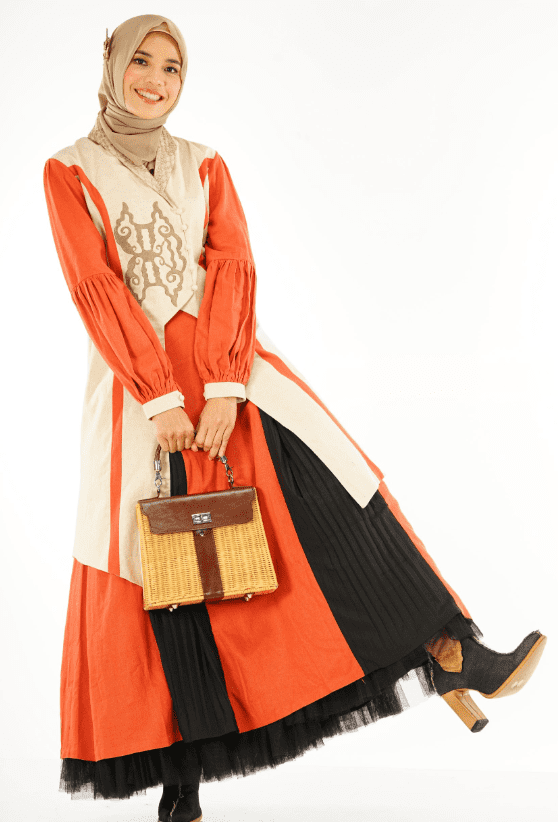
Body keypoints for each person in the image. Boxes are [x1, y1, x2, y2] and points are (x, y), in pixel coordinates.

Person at [43, 13, 547, 822]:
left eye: (172, 67)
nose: (156, 80)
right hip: (145, 398)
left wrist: (222, 385)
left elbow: (232, 265)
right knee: (168, 572)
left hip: (234, 374)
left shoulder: (205, 163)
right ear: (111, 63)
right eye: (142, 60)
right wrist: (161, 398)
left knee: (340, 503)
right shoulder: (70, 171)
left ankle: (452, 652)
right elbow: (94, 287)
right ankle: (181, 782)